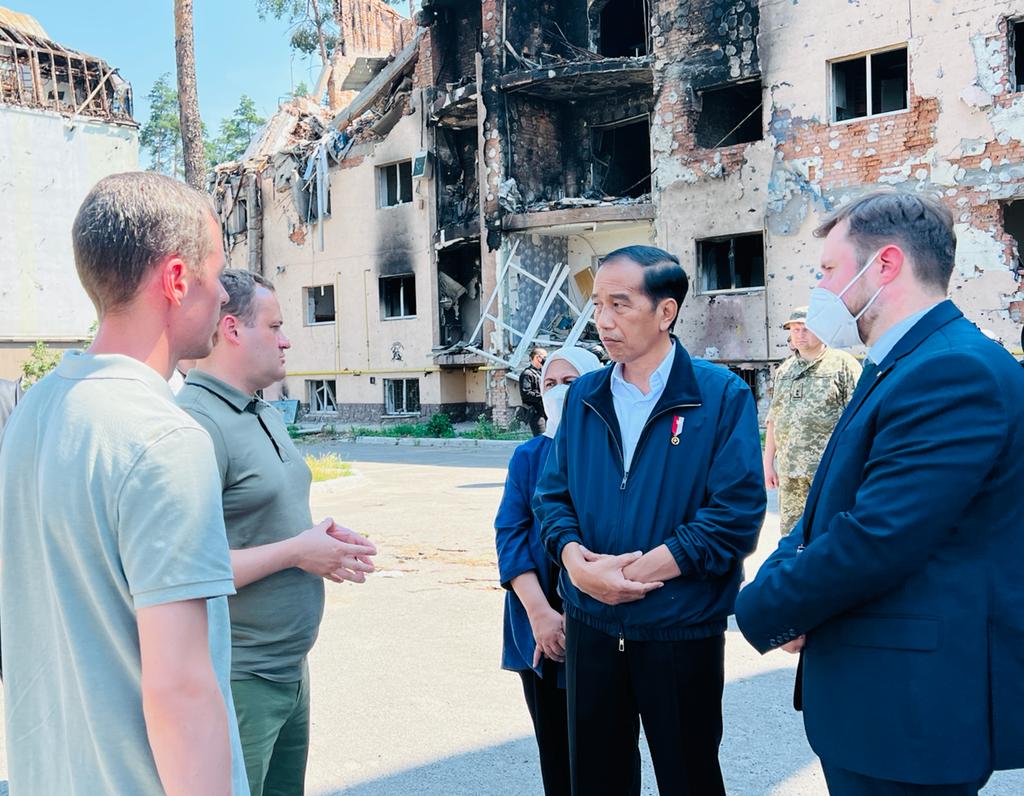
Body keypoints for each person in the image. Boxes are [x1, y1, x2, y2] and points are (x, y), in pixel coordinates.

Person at [735, 192, 1024, 795]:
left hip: (912, 713)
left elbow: (878, 536)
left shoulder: (952, 371)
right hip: (884, 701)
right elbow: (827, 511)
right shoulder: (900, 363)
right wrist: (794, 576)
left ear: (885, 265)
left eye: (829, 271)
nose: (820, 288)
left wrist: (765, 603)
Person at [0, 172, 248, 795]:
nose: (223, 294)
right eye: (215, 272)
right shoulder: (164, 438)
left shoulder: (34, 410)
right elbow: (182, 691)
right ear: (175, 280)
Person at [534, 245, 766, 795]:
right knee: (595, 779)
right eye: (597, 305)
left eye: (620, 304)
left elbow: (735, 515)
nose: (602, 321)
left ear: (666, 313)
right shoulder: (586, 395)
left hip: (679, 629)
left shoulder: (720, 396)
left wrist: (639, 575)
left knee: (689, 777)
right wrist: (575, 563)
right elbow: (551, 497)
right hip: (591, 630)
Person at [178, 269, 377, 796]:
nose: (287, 338)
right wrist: (298, 551)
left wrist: (321, 542)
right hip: (240, 678)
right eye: (275, 325)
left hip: (289, 670)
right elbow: (187, 568)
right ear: (232, 329)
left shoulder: (263, 411)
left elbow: (258, 519)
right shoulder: (196, 424)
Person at [495, 344, 602, 796]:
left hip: (600, 619)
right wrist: (540, 614)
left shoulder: (612, 453)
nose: (559, 393)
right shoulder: (530, 457)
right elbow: (510, 534)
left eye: (571, 382)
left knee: (604, 752)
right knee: (557, 753)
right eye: (551, 384)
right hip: (537, 618)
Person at [763, 306, 861, 534]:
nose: (799, 334)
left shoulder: (843, 365)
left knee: (830, 531)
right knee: (791, 536)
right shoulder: (784, 370)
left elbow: (858, 421)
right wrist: (768, 464)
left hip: (828, 471)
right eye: (794, 329)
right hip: (791, 474)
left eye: (805, 329)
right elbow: (774, 419)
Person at [519, 346, 548, 436]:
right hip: (536, 413)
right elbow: (526, 393)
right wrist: (543, 396)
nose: (546, 359)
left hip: (545, 411)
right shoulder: (527, 374)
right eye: (545, 357)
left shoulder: (542, 372)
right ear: (538, 357)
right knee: (540, 439)